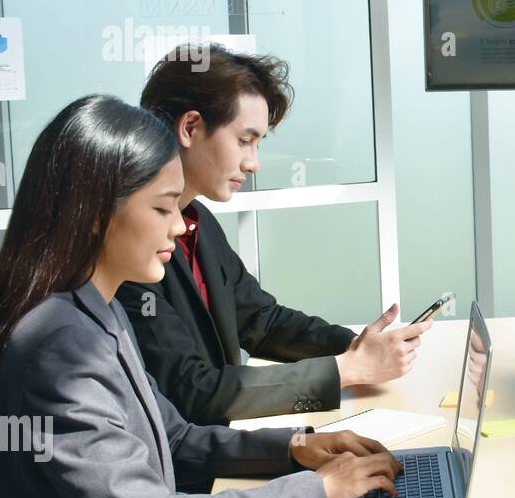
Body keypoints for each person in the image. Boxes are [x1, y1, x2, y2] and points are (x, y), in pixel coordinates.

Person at [0, 95, 402, 498]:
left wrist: (294, 449)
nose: (179, 225)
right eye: (162, 207)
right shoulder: (61, 348)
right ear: (97, 214)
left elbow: (173, 436)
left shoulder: (94, 307)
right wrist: (316, 493)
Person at [116, 44, 430, 425]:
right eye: (244, 141)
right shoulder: (131, 246)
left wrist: (354, 347)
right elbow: (193, 390)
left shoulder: (197, 221)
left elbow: (260, 320)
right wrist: (347, 370)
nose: (254, 164)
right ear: (191, 127)